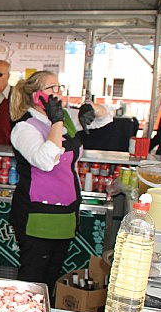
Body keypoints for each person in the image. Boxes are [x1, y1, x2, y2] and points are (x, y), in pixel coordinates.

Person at [8, 70, 112, 293]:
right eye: (51, 88)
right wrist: (56, 122)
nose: (58, 93)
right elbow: (46, 160)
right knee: (33, 277)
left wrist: (92, 109)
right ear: (36, 95)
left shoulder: (66, 118)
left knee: (51, 276)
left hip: (65, 214)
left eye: (59, 88)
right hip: (37, 214)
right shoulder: (24, 128)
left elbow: (106, 118)